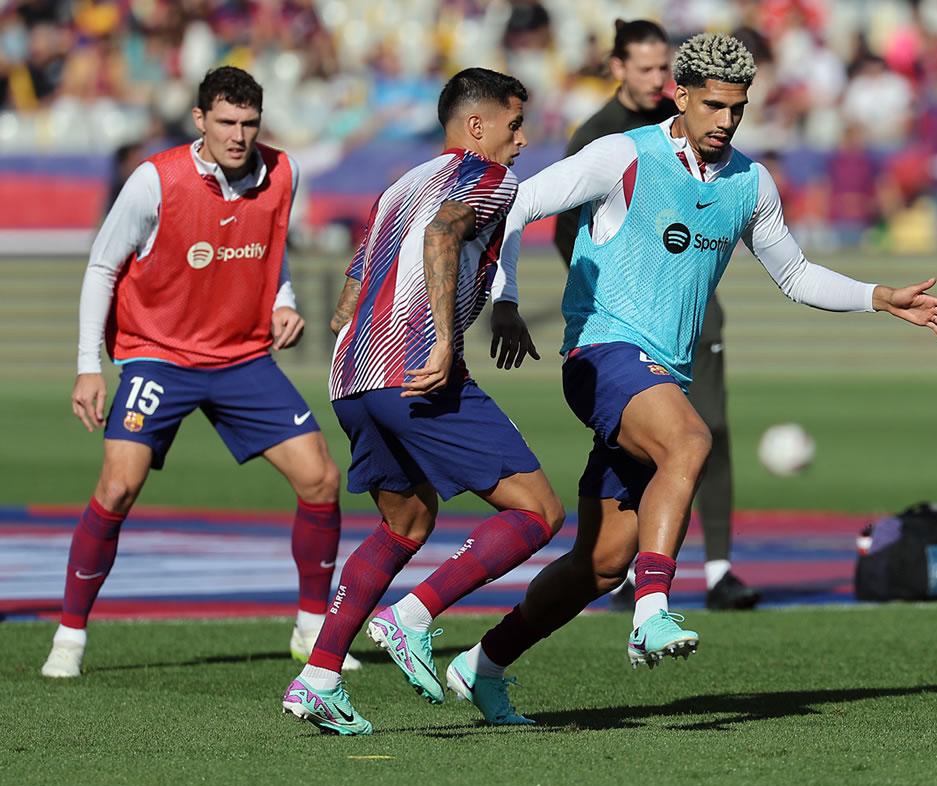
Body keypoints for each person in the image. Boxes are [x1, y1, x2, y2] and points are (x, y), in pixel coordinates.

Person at [444, 33, 937, 725]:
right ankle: (652, 607)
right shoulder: (622, 156)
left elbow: (797, 275)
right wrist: (503, 301)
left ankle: (482, 664)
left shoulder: (750, 182)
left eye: (737, 109)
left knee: (596, 564)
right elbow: (513, 202)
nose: (725, 121)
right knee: (689, 441)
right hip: (600, 355)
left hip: (660, 375)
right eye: (712, 105)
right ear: (679, 96)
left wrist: (877, 296)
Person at [41, 66, 352, 679]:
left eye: (249, 123)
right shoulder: (154, 181)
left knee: (320, 478)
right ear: (200, 120)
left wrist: (282, 298)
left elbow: (271, 246)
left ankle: (312, 628)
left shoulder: (281, 173)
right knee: (118, 488)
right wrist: (88, 367)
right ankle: (70, 637)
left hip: (241, 358)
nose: (238, 135)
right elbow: (103, 267)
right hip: (159, 356)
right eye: (227, 122)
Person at [281, 67, 564, 736]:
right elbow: (443, 237)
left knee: (403, 526)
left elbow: (354, 283)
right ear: (477, 125)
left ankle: (318, 679)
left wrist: (369, 327)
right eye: (515, 124)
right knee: (538, 512)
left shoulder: (400, 184)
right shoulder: (490, 180)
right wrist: (440, 344)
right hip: (413, 367)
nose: (523, 139)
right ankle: (410, 618)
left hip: (350, 375)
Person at [554, 19, 759, 612]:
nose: (656, 79)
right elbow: (567, 229)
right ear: (618, 68)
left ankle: (718, 568)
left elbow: (792, 270)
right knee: (673, 440)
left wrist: (875, 296)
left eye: (662, 67)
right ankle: (641, 589)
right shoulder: (604, 139)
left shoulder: (733, 159)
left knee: (707, 432)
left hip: (695, 316)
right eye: (644, 69)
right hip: (617, 326)